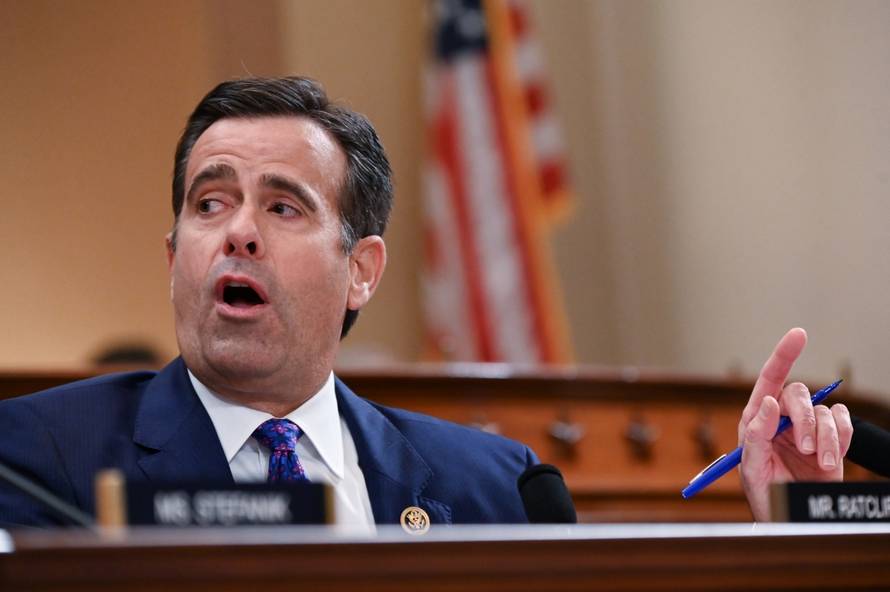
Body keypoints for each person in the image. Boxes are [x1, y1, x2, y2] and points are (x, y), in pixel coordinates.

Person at [0, 77, 851, 528]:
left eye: (284, 207)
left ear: (361, 270)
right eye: (209, 203)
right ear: (173, 255)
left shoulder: (497, 489)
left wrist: (801, 538)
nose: (239, 233)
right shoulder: (37, 458)